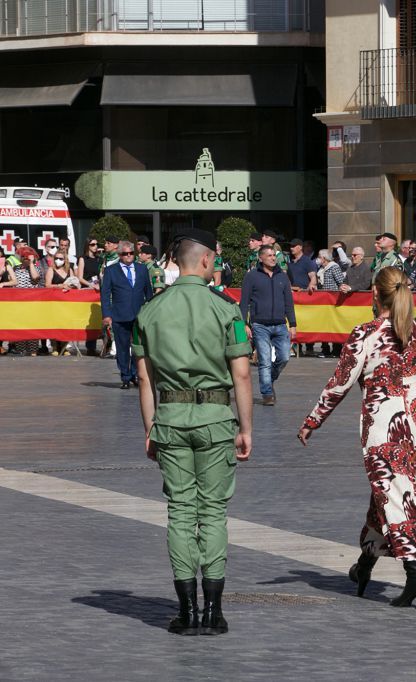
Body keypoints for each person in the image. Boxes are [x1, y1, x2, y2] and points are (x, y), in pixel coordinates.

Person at [297, 266, 416, 610]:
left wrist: (313, 421)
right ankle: (364, 567)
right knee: (387, 498)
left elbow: (339, 383)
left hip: (383, 431)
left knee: (398, 501)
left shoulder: (364, 334)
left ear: (374, 294)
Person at [132, 228, 253, 636]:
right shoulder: (226, 310)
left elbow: (145, 381)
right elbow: (241, 375)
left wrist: (151, 429)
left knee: (181, 512)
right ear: (205, 261)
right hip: (216, 420)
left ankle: (186, 612)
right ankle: (213, 613)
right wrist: (246, 428)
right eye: (215, 259)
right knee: (213, 513)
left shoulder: (150, 310)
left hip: (169, 419)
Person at [239, 245, 296, 406]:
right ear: (261, 258)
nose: (273, 258)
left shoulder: (282, 276)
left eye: (274, 255)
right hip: (259, 325)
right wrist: (244, 323)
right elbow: (244, 303)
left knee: (284, 357)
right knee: (264, 360)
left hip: (280, 324)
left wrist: (292, 324)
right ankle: (267, 394)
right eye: (269, 255)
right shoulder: (251, 276)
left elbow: (288, 302)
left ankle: (268, 380)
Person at [100, 241, 153, 388]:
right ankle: (125, 376)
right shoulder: (111, 270)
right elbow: (105, 295)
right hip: (119, 315)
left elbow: (148, 292)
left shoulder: (142, 269)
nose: (129, 256)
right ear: (119, 255)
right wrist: (106, 315)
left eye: (131, 253)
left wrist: (151, 312)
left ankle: (135, 374)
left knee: (138, 348)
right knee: (122, 349)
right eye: (125, 254)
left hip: (139, 315)